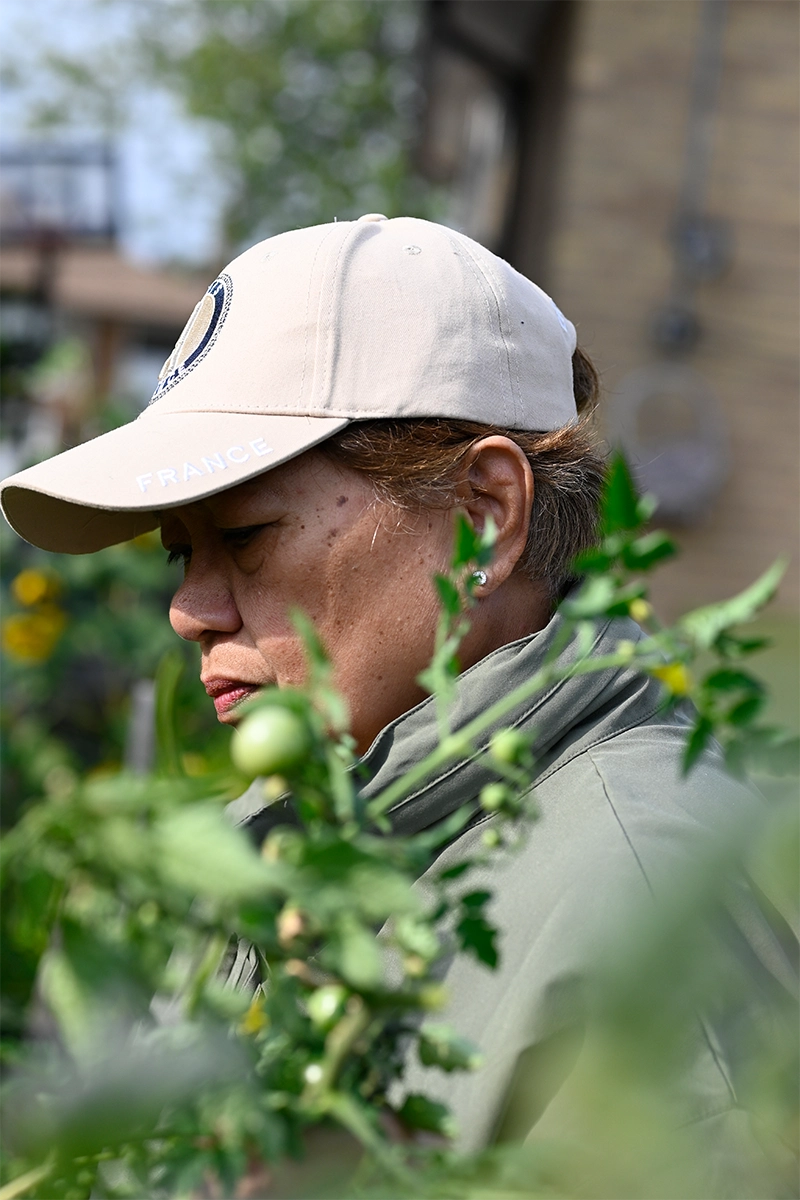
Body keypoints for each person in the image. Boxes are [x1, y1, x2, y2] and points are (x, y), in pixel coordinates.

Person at [0, 215, 795, 1165]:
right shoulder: (276, 845)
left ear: (484, 515)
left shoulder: (643, 905)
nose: (188, 612)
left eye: (245, 536)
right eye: (181, 553)